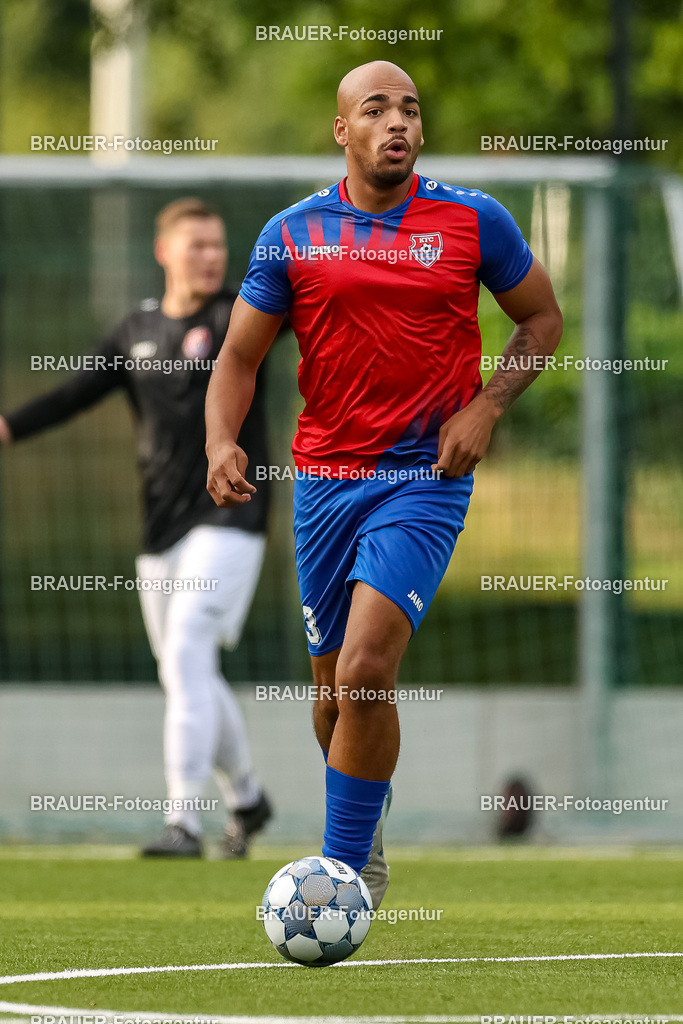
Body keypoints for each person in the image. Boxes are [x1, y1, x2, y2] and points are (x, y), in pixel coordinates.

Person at [204, 61, 563, 906]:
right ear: (342, 131)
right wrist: (220, 441)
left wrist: (485, 408)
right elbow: (238, 357)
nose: (397, 121)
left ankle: (342, 876)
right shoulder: (291, 233)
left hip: (422, 477)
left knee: (367, 669)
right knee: (333, 697)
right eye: (375, 109)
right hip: (325, 482)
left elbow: (541, 318)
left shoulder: (474, 219)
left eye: (409, 109)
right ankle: (362, 816)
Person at [0, 197, 273, 858]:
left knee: (186, 649)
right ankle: (248, 797)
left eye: (218, 245)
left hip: (231, 514)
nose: (210, 256)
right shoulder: (135, 330)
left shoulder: (242, 316)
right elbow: (71, 395)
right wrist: (8, 428)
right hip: (161, 531)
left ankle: (183, 822)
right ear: (164, 252)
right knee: (187, 669)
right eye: (196, 245)